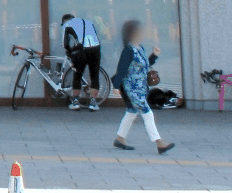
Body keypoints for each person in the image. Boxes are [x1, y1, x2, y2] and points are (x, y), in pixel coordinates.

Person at [110, 19, 173, 154]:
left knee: (131, 113)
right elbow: (121, 69)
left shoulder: (140, 48)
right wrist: (116, 86)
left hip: (141, 87)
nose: (143, 33)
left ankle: (120, 139)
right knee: (147, 113)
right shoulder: (128, 50)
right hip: (132, 88)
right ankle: (159, 143)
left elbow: (144, 65)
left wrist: (154, 56)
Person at [61, 13, 104, 110]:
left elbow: (65, 43)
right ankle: (93, 103)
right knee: (94, 75)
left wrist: (70, 52)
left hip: (81, 50)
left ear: (64, 21)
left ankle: (75, 102)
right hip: (95, 49)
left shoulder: (66, 25)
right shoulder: (88, 22)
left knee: (77, 75)